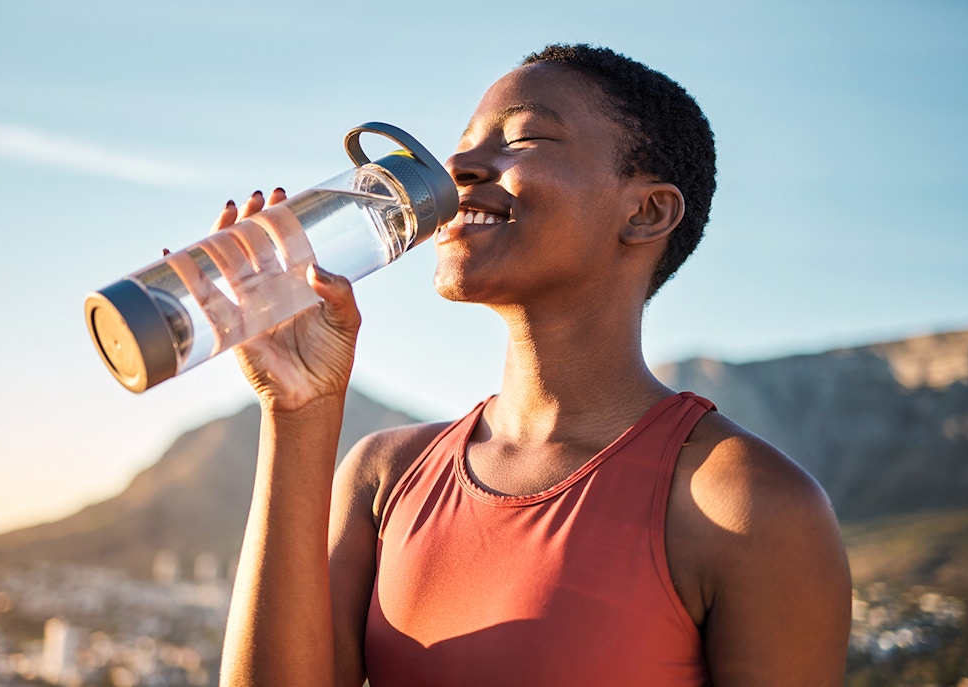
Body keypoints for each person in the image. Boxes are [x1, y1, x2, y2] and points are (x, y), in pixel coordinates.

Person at [215, 43, 852, 686]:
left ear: (646, 212)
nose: (457, 167)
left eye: (522, 138)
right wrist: (297, 410)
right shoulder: (385, 477)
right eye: (462, 145)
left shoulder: (745, 502)